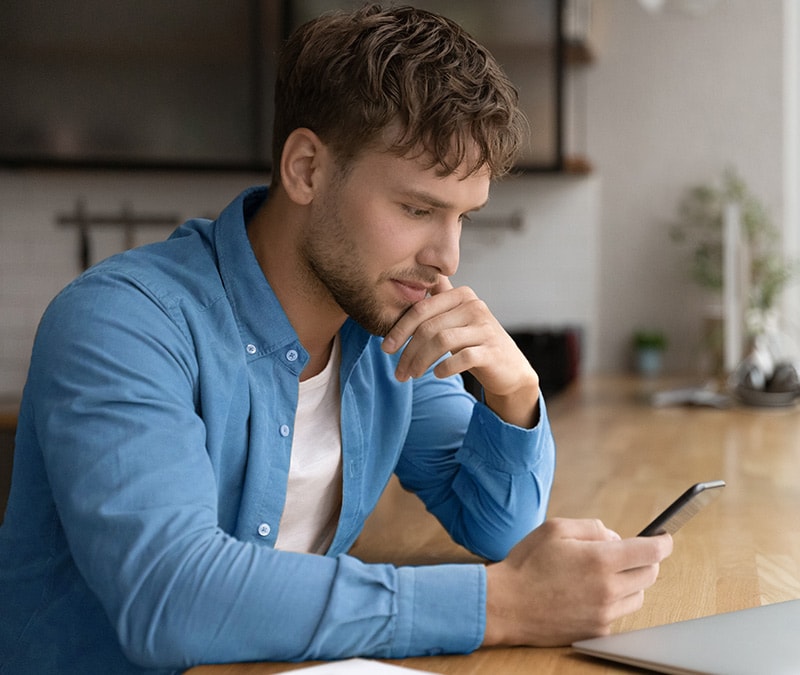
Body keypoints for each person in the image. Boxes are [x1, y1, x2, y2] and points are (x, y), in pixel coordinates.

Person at [0, 4, 672, 673]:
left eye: (464, 216)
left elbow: (499, 528)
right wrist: (501, 604)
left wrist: (516, 391)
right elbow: (172, 598)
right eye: (417, 208)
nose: (448, 257)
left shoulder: (383, 333)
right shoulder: (123, 324)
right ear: (306, 169)